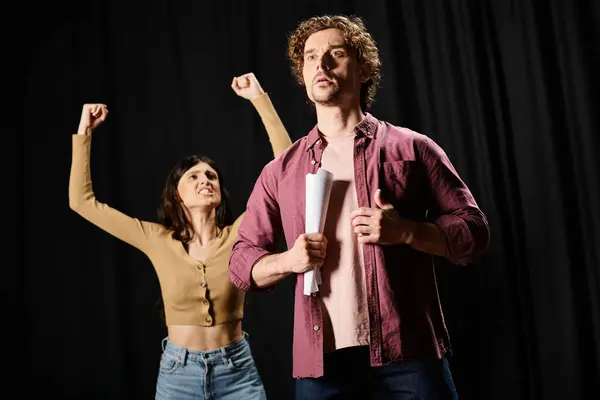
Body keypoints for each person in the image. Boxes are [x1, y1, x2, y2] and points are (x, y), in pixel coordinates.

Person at [228, 15, 490, 399]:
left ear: (364, 68)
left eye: (335, 54)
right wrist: (289, 260)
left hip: (409, 353)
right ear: (303, 74)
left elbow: (474, 232)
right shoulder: (281, 171)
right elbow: (240, 262)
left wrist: (407, 232)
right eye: (311, 57)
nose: (322, 64)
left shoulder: (411, 147)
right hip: (322, 364)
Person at [69, 73, 292, 400]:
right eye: (194, 176)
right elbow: (82, 202)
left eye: (212, 176)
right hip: (178, 374)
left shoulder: (240, 234)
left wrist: (259, 98)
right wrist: (84, 133)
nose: (206, 180)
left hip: (238, 372)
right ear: (176, 195)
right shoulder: (156, 238)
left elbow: (285, 171)